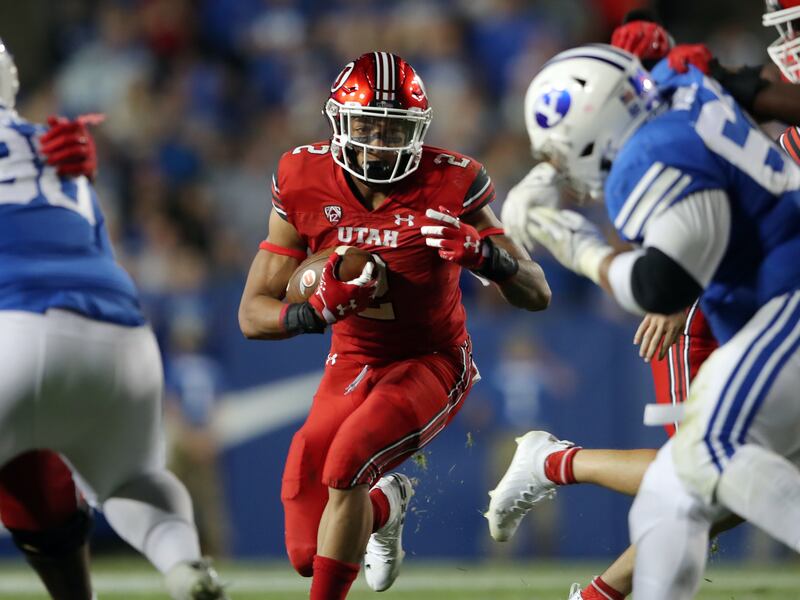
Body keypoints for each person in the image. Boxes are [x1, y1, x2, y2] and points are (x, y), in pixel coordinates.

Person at [491, 8, 800, 598]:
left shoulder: (658, 140)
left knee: (712, 467)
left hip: (766, 297)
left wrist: (577, 245)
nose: (785, 43)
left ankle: (559, 476)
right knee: (688, 485)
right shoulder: (676, 110)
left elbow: (668, 274)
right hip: (729, 298)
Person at [238, 51, 551, 600]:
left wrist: (487, 257)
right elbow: (251, 314)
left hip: (431, 358)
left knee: (348, 461)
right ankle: (387, 505)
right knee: (305, 551)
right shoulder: (302, 177)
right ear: (339, 122)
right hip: (352, 358)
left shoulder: (453, 181)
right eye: (369, 126)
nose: (381, 142)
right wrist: (314, 313)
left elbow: (536, 292)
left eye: (395, 129)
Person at [0, 39, 227, 600]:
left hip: (15, 329)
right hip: (121, 332)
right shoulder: (55, 151)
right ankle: (182, 563)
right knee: (131, 480)